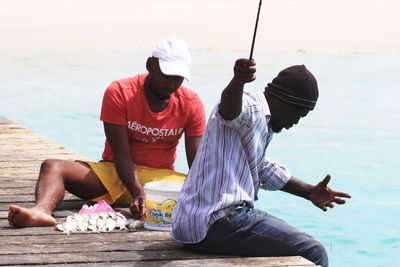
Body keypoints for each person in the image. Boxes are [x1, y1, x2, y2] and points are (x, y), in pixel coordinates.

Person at [8, 36, 206, 228]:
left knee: (207, 186)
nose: (170, 85)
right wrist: (137, 191)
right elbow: (121, 153)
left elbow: (197, 164)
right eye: (165, 76)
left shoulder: (191, 103)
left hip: (159, 182)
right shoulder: (120, 91)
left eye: (178, 79)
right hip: (115, 173)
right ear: (150, 65)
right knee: (53, 166)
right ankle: (40, 211)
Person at [172, 58, 351, 267]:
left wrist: (308, 192)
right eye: (299, 114)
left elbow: (263, 167)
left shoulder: (263, 124)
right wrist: (238, 81)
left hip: (194, 224)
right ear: (285, 103)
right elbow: (229, 111)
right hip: (219, 220)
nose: (295, 123)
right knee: (314, 252)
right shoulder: (252, 108)